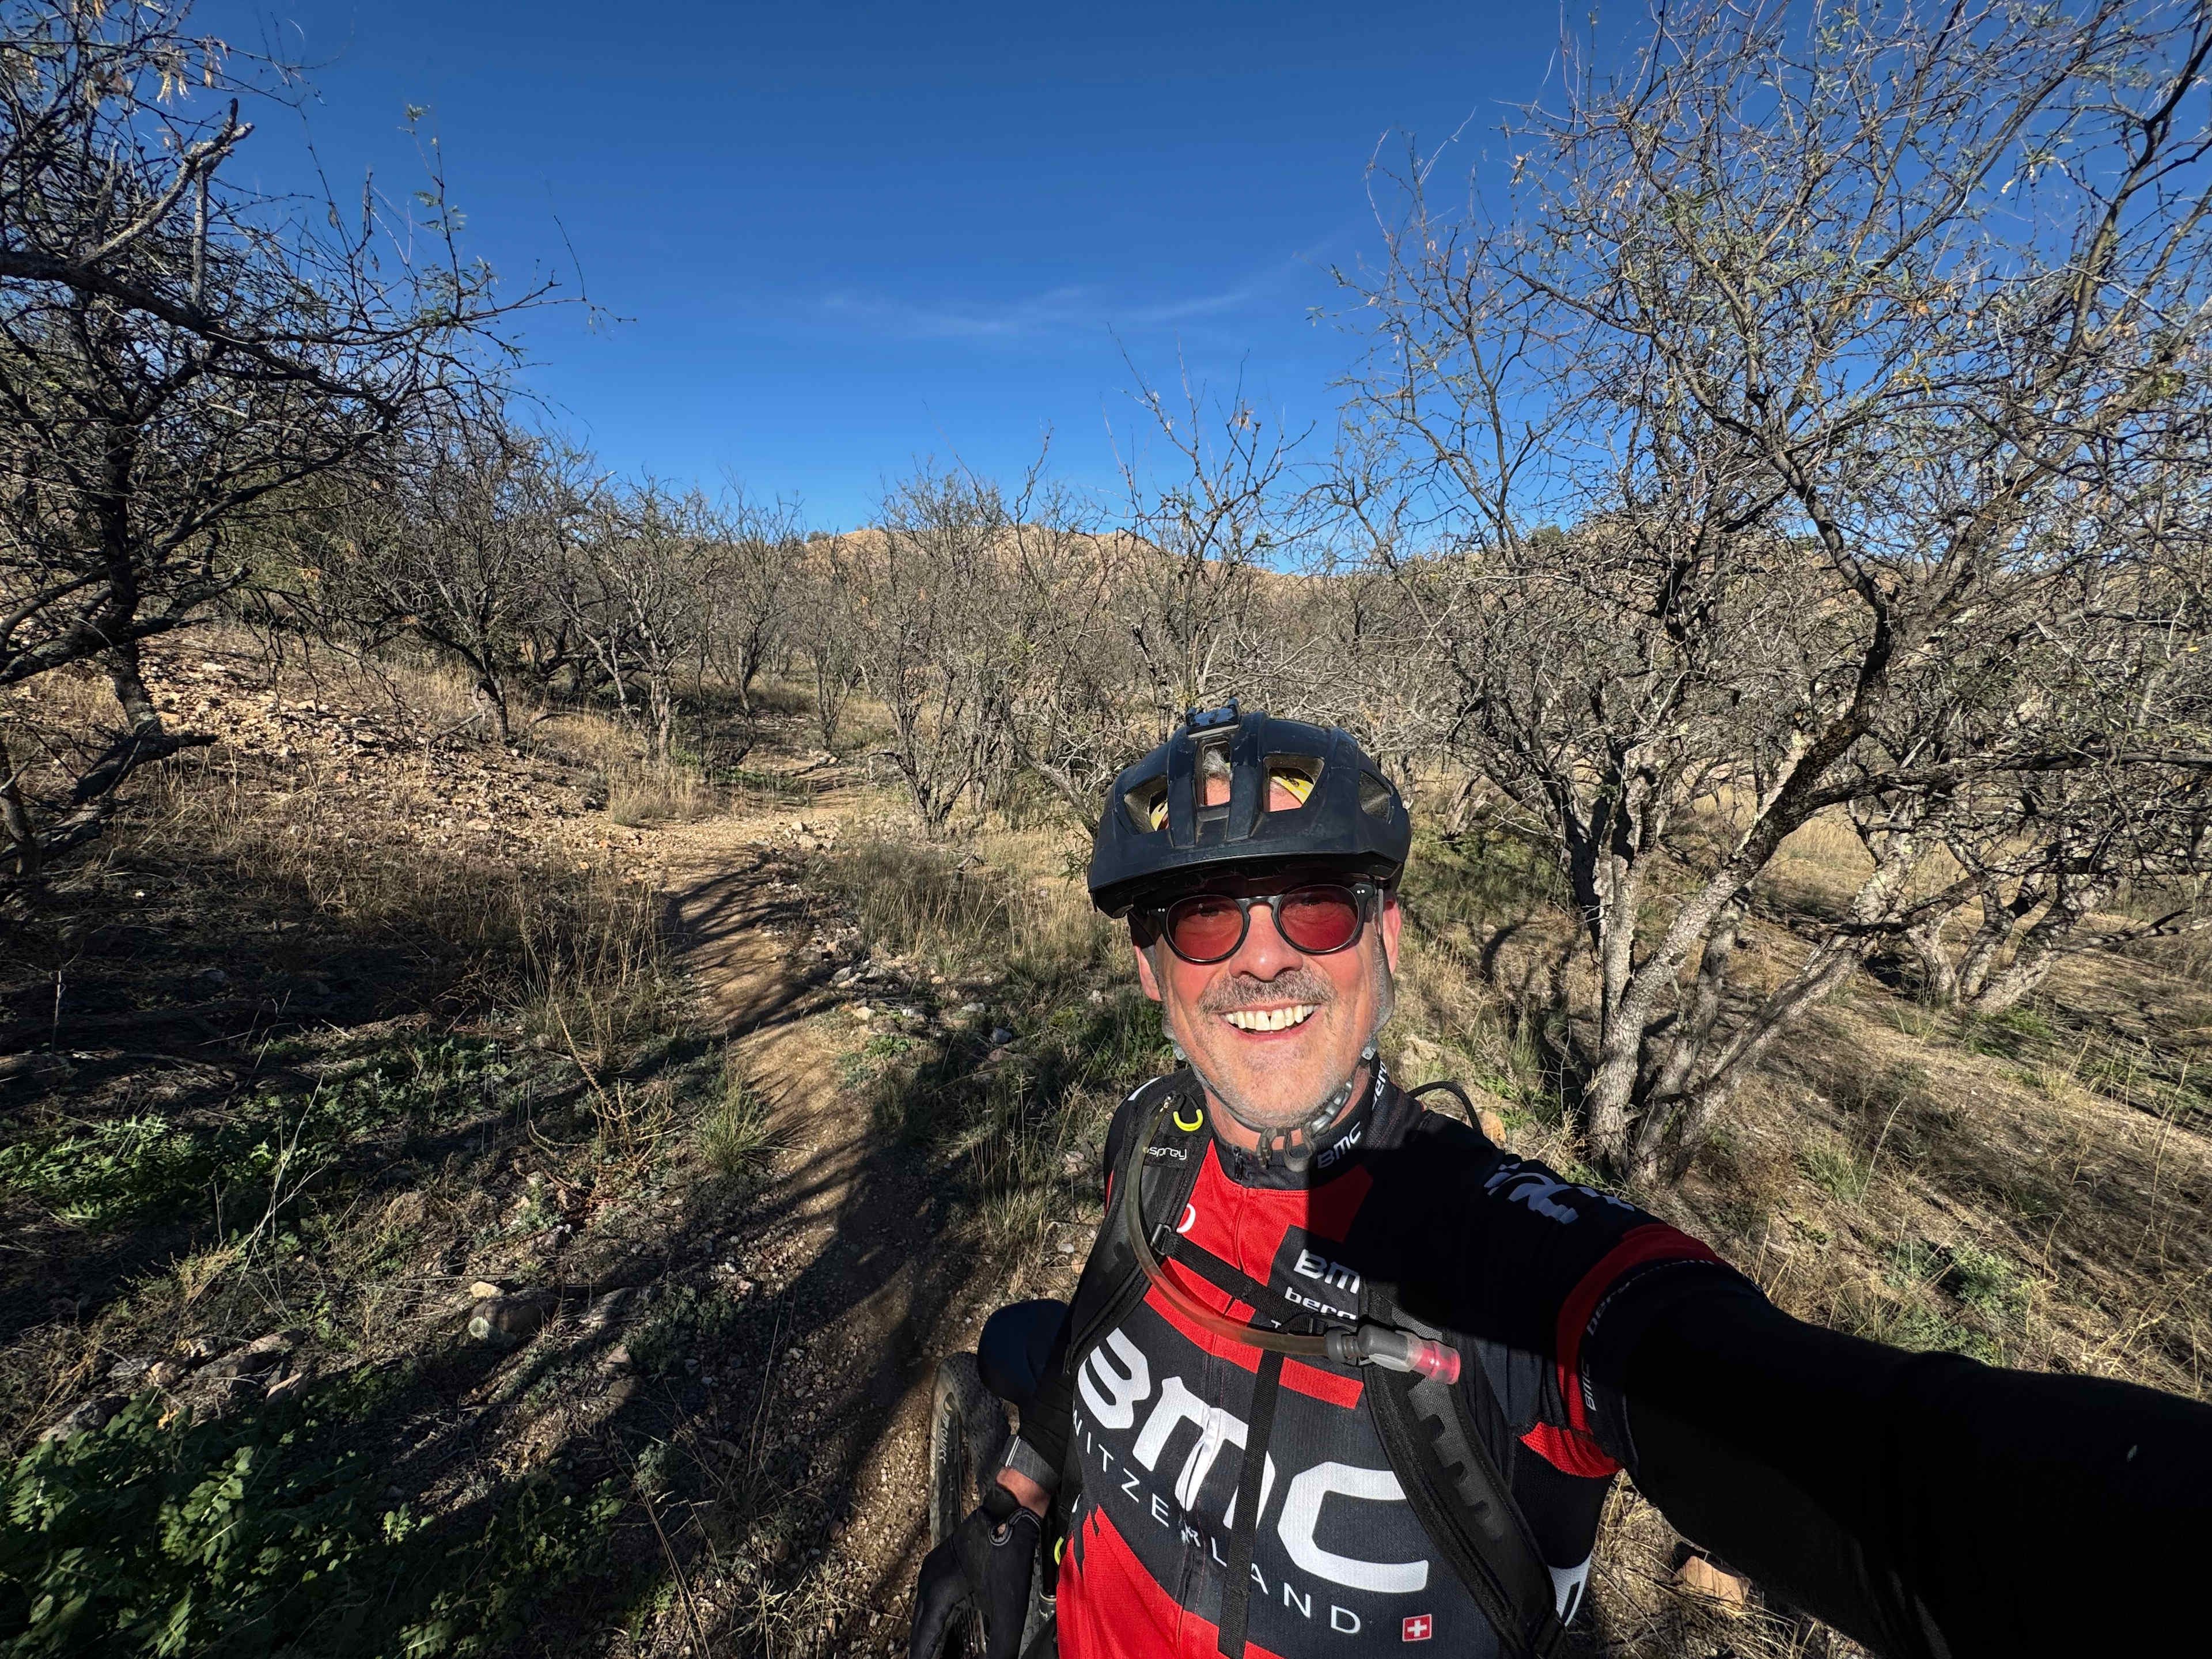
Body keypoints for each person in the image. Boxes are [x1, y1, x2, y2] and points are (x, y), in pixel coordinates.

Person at [911, 706, 2211, 1659]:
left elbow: (1897, 1470)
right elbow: (1096, 1322)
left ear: (1385, 939)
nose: (1261, 963)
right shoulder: (1150, 1137)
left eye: (1311, 905)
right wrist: (1022, 1494)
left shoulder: (1508, 1263)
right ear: (1153, 970)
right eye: (1205, 919)